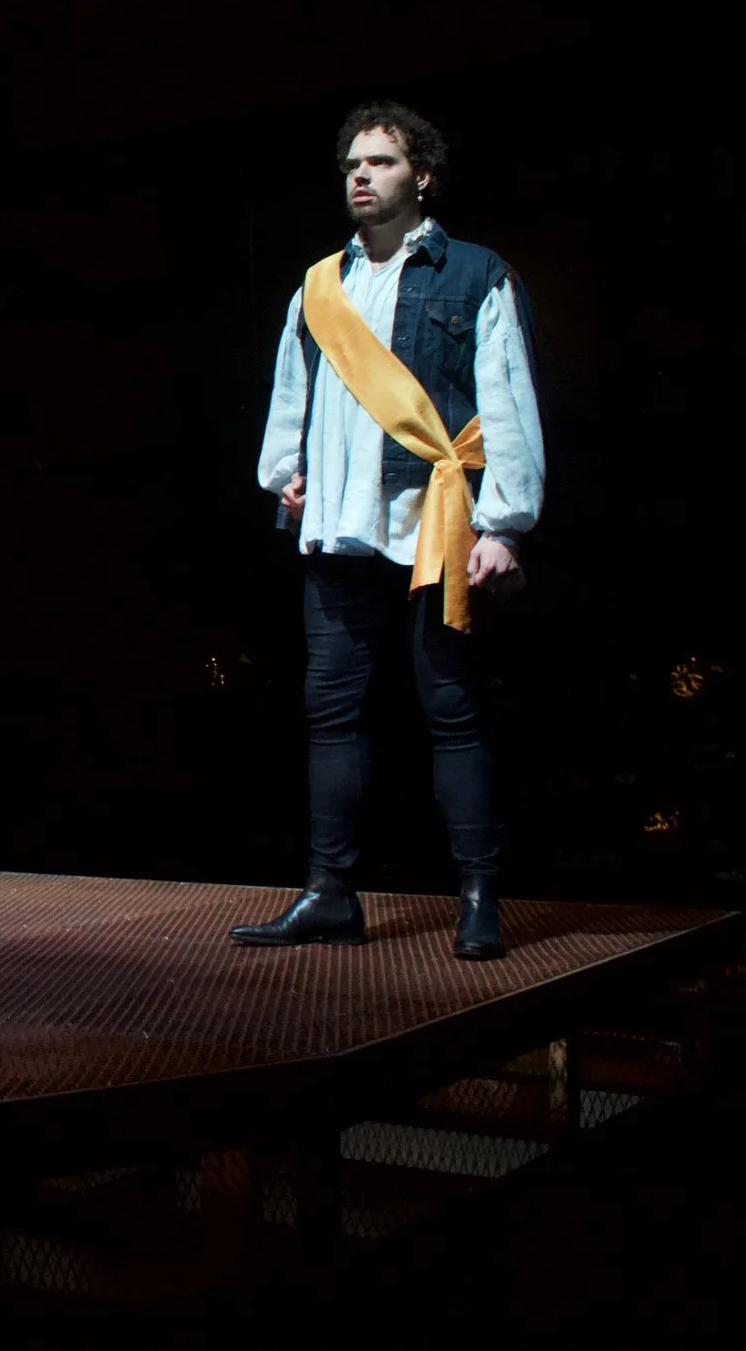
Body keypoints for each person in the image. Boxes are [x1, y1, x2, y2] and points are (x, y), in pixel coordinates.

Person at [231, 102, 545, 960]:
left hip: (432, 527)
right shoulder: (318, 285)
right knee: (332, 715)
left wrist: (504, 524)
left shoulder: (476, 273)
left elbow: (507, 402)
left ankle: (478, 896)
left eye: (381, 162)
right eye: (352, 165)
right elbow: (290, 392)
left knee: (453, 713)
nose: (361, 176)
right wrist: (284, 475)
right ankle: (330, 893)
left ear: (423, 176)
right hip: (339, 529)